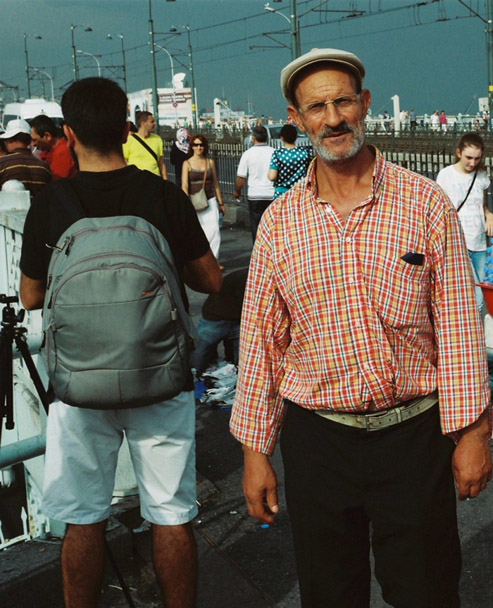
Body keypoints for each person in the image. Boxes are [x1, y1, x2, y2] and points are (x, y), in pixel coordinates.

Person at [230, 48, 492, 607]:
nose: (333, 117)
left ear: (364, 104)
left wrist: (473, 433)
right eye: (316, 107)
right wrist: (256, 451)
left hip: (412, 435)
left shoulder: (423, 202)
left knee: (426, 590)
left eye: (343, 100)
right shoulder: (281, 222)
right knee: (329, 594)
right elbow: (260, 339)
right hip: (318, 440)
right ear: (297, 120)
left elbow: (459, 328)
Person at [18, 76, 222, 608]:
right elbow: (211, 282)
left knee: (82, 517)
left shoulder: (52, 203)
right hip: (160, 379)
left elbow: (31, 296)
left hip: (79, 389)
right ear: (126, 128)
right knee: (171, 513)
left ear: (69, 132)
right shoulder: (161, 195)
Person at [436, 132, 493, 310]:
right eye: (469, 157)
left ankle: (472, 331)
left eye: (477, 158)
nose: (472, 163)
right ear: (458, 153)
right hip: (459, 242)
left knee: (484, 291)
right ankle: (475, 335)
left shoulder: (481, 175)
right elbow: (439, 209)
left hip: (479, 244)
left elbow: (482, 205)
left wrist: (489, 215)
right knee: (476, 297)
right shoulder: (446, 175)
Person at [192, 268, 247, 377]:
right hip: (216, 317)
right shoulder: (249, 279)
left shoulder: (248, 276)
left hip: (232, 317)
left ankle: (234, 372)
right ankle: (195, 376)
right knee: (201, 353)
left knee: (239, 356)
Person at [182, 133, 224, 259]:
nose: (199, 147)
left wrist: (220, 203)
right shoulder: (187, 164)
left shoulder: (209, 162)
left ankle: (214, 259)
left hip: (210, 200)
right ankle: (201, 261)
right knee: (200, 232)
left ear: (205, 147)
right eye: (196, 145)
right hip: (194, 201)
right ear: (192, 147)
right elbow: (184, 185)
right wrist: (186, 203)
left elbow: (215, 183)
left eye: (201, 145)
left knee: (215, 231)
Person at [233, 125, 275, 242]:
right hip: (272, 194)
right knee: (272, 226)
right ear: (267, 137)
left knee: (256, 227)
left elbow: (241, 177)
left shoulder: (247, 154)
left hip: (255, 195)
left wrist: (237, 192)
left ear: (253, 138)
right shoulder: (274, 152)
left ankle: (258, 252)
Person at [0, 119, 51, 194]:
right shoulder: (44, 167)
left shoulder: (2, 164)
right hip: (38, 206)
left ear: (10, 140)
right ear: (28, 140)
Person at [267, 124, 314, 201]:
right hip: (300, 192)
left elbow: (272, 177)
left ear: (282, 138)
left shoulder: (278, 154)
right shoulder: (305, 152)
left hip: (282, 194)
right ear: (296, 137)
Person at [28, 114, 77, 180]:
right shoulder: (50, 151)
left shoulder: (62, 152)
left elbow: (56, 182)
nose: (32, 144)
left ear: (47, 136)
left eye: (34, 140)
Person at [122, 111, 167, 179]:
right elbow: (123, 163)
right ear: (143, 123)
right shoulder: (129, 140)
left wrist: (165, 181)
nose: (155, 124)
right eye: (152, 122)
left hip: (154, 182)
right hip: (136, 181)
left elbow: (161, 164)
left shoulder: (157, 139)